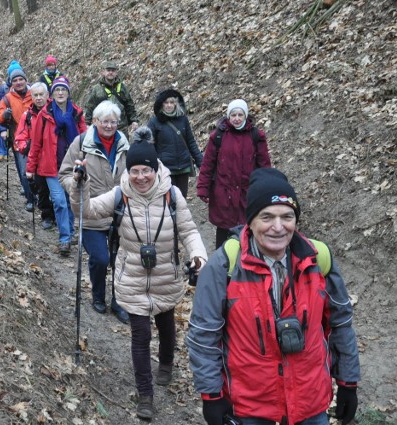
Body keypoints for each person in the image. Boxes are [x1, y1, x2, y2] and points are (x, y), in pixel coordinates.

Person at [186, 167, 360, 425]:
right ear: (251, 221)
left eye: (287, 216)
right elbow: (203, 335)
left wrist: (348, 382)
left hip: (310, 403)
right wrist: (211, 396)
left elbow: (341, 324)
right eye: (266, 217)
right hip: (251, 407)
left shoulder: (318, 258)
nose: (278, 227)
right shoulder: (225, 265)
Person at [67, 128, 208, 419]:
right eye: (135, 170)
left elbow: (189, 230)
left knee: (167, 325)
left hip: (166, 275)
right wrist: (80, 186)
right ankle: (145, 394)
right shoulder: (120, 194)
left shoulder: (173, 195)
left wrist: (198, 255)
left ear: (156, 169)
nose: (140, 176)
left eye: (146, 170)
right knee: (141, 335)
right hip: (131, 276)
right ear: (128, 171)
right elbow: (86, 211)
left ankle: (167, 364)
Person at [59, 100, 130, 323]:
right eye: (104, 121)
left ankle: (119, 302)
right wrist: (77, 183)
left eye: (113, 121)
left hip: (121, 213)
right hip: (91, 212)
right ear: (95, 121)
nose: (109, 125)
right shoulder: (81, 143)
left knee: (122, 261)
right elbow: (64, 173)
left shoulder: (126, 146)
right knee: (100, 259)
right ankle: (98, 295)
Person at [196, 99, 271, 248]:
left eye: (240, 115)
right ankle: (221, 266)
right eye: (233, 115)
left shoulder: (256, 136)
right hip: (223, 194)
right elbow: (208, 164)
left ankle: (245, 265)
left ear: (245, 116)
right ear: (228, 117)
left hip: (247, 193)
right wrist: (203, 188)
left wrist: (267, 190)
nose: (236, 118)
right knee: (223, 233)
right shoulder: (218, 136)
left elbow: (265, 167)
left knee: (247, 231)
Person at [26, 76, 87, 256]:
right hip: (51, 167)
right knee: (59, 202)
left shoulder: (76, 113)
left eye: (64, 90)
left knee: (70, 202)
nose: (60, 93)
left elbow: (86, 139)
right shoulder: (44, 115)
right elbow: (35, 143)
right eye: (57, 90)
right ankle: (65, 239)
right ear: (52, 94)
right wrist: (30, 168)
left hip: (72, 166)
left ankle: (70, 232)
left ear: (68, 92)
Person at [147, 89, 203, 198]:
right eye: (166, 103)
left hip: (183, 167)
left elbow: (191, 142)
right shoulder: (154, 122)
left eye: (171, 102)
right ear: (161, 104)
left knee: (181, 199)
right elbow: (149, 146)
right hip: (165, 168)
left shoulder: (183, 119)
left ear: (176, 104)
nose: (169, 105)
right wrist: (153, 166)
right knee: (168, 201)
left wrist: (201, 162)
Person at [13, 82, 55, 225]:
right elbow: (19, 137)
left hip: (54, 157)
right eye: (35, 95)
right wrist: (27, 146)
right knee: (42, 190)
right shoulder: (28, 116)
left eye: (41, 94)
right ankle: (47, 215)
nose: (38, 98)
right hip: (36, 158)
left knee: (57, 191)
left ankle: (59, 216)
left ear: (47, 95)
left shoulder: (55, 111)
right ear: (31, 97)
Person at [0, 68, 35, 210]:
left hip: (38, 139)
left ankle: (42, 198)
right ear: (11, 83)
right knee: (24, 172)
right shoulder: (7, 98)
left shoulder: (35, 94)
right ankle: (30, 198)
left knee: (39, 172)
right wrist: (5, 115)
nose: (18, 82)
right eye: (15, 80)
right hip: (19, 140)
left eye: (21, 79)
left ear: (26, 80)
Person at [84, 61, 140, 137]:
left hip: (121, 127)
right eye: (108, 70)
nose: (110, 72)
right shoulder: (96, 89)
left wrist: (134, 120)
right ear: (103, 72)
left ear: (116, 73)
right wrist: (87, 123)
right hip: (103, 128)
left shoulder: (122, 87)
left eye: (113, 71)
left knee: (123, 148)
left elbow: (129, 104)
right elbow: (90, 107)